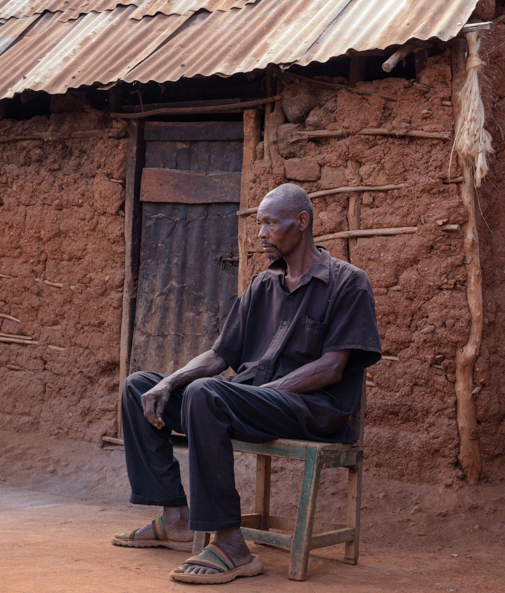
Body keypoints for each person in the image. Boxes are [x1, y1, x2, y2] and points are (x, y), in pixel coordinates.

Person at [113, 183, 381, 584]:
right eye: (259, 224)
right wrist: (169, 382)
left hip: (309, 408)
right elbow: (221, 355)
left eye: (270, 223)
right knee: (139, 388)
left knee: (208, 394)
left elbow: (331, 368)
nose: (260, 234)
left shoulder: (347, 282)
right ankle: (176, 519)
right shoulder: (262, 285)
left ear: (301, 222)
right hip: (248, 401)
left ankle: (231, 544)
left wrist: (255, 396)